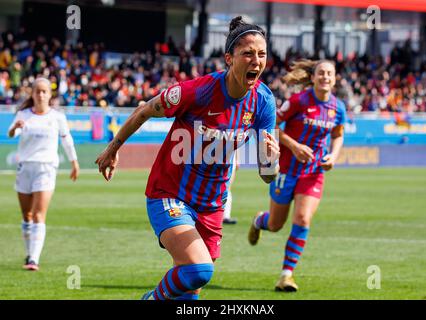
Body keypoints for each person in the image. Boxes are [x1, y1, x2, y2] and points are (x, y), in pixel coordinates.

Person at [95, 16, 280, 300]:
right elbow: (144, 110)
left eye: (262, 54)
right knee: (199, 270)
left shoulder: (264, 102)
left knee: (189, 290)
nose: (256, 61)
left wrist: (272, 161)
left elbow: (267, 174)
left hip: (211, 205)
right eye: (248, 54)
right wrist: (113, 148)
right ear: (229, 58)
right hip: (169, 194)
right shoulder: (197, 91)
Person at [248, 59, 346, 292]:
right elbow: (273, 126)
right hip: (286, 171)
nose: (325, 77)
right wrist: (294, 147)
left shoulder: (337, 107)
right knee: (274, 225)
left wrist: (333, 156)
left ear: (334, 79)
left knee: (302, 219)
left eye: (329, 74)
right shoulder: (298, 101)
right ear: (312, 77)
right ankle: (258, 221)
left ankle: (286, 276)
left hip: (313, 173)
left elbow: (338, 135)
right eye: (321, 73)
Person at [8, 77, 79, 271]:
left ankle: (33, 259)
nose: (40, 95)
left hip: (46, 168)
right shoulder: (23, 114)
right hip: (24, 168)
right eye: (37, 91)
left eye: (44, 91)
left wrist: (74, 162)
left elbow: (66, 140)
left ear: (49, 94)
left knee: (39, 215)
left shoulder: (57, 117)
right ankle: (29, 252)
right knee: (27, 215)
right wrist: (15, 128)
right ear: (32, 94)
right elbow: (10, 134)